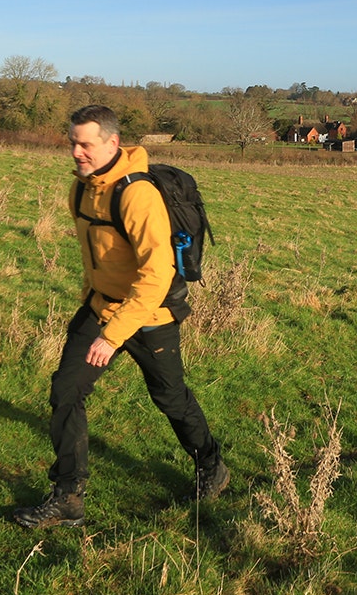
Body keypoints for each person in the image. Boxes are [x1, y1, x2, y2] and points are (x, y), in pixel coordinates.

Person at [13, 104, 229, 529]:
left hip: (149, 314)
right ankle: (68, 496)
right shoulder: (81, 188)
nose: (77, 152)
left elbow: (156, 275)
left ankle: (210, 464)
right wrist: (94, 311)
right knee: (66, 392)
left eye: (86, 145)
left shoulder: (136, 194)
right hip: (100, 305)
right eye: (73, 143)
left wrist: (111, 336)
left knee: (170, 397)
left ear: (112, 143)